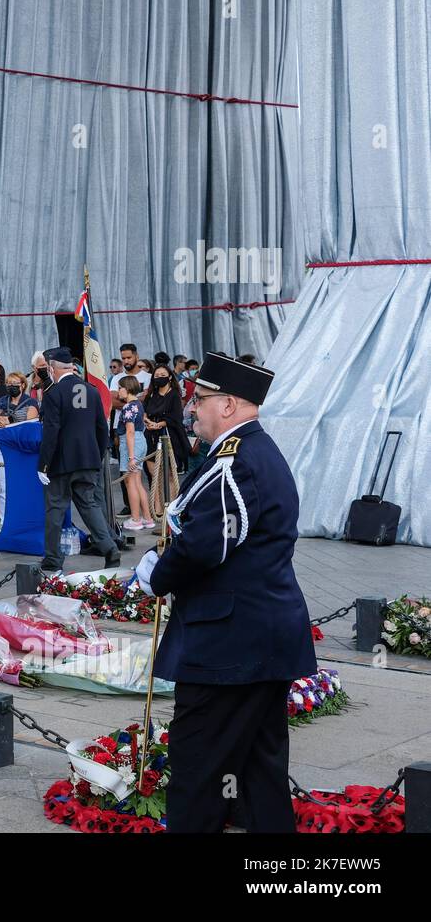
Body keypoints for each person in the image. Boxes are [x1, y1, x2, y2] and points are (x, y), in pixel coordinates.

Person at [133, 353, 315, 833]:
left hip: (228, 646)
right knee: (257, 771)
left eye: (202, 400)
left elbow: (204, 546)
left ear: (230, 405)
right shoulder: (254, 451)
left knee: (199, 771)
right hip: (258, 637)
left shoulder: (236, 462)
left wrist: (156, 573)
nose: (193, 409)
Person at [36, 347, 119, 572]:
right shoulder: (92, 391)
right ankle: (109, 547)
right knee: (89, 505)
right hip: (89, 459)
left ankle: (53, 559)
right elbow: (102, 428)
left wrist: (43, 464)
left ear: (53, 369)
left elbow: (51, 431)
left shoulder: (54, 393)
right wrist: (98, 453)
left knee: (55, 509)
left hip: (62, 462)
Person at [115, 375, 152, 530]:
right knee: (137, 482)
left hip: (131, 443)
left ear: (127, 388)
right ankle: (147, 518)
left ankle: (136, 519)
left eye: (120, 388)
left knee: (130, 482)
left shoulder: (128, 407)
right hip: (140, 441)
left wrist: (130, 457)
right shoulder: (138, 404)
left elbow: (129, 431)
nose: (118, 391)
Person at [143, 364, 189, 475]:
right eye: (157, 375)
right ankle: (156, 493)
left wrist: (159, 424)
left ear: (169, 377)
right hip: (151, 436)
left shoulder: (174, 395)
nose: (159, 377)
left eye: (163, 375)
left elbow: (176, 417)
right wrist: (147, 421)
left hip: (169, 436)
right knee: (153, 475)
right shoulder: (151, 394)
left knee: (169, 476)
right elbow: (144, 411)